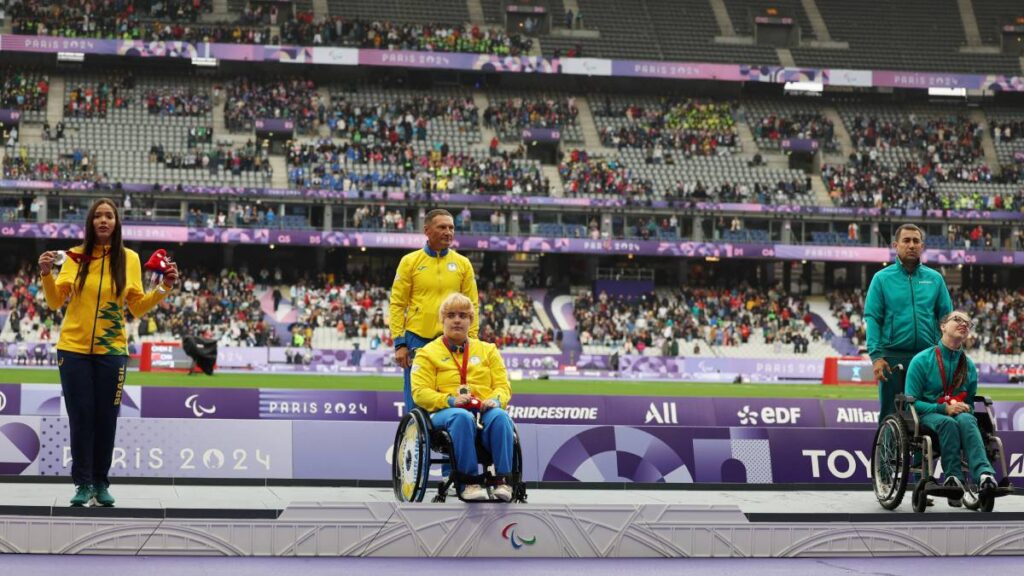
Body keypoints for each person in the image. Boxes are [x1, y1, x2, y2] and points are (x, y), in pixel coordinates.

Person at [38, 198, 179, 507]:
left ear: (116, 223)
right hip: (73, 350)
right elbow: (54, 301)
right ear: (90, 222)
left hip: (112, 350)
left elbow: (137, 307)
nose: (103, 220)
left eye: (109, 216)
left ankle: (101, 482)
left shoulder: (129, 259)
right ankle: (83, 483)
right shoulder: (74, 257)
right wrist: (47, 274)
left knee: (106, 419)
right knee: (81, 418)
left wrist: (163, 288)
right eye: (98, 216)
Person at [411, 293, 514, 502]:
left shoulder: (488, 350)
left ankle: (502, 480)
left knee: (501, 417)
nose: (457, 320)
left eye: (463, 315)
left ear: (471, 320)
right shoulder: (427, 353)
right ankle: (468, 482)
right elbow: (419, 392)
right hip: (445, 413)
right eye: (451, 315)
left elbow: (503, 386)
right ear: (442, 319)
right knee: (461, 416)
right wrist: (450, 400)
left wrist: (495, 400)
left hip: (482, 411)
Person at [905, 311, 997, 506]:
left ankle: (984, 476)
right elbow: (911, 402)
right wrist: (944, 409)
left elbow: (969, 402)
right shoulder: (921, 360)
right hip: (928, 415)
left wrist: (964, 408)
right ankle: (953, 477)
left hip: (957, 417)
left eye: (968, 322)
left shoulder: (968, 365)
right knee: (948, 423)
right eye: (957, 319)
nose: (963, 323)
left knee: (967, 418)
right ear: (943, 326)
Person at [390, 209, 479, 410]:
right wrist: (399, 343)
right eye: (442, 227)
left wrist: (472, 338)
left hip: (453, 340)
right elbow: (397, 304)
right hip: (417, 339)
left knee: (454, 393)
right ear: (427, 230)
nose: (448, 232)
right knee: (416, 395)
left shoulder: (463, 264)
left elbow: (472, 305)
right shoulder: (410, 262)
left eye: (451, 228)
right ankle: (415, 430)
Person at [864, 224, 952, 419]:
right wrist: (876, 357)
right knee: (891, 414)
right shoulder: (881, 278)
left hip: (928, 357)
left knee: (928, 413)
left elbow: (947, 319)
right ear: (896, 245)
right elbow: (873, 319)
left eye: (916, 241)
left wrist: (947, 354)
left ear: (922, 246)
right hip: (892, 359)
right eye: (906, 240)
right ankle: (887, 440)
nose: (911, 245)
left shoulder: (935, 279)